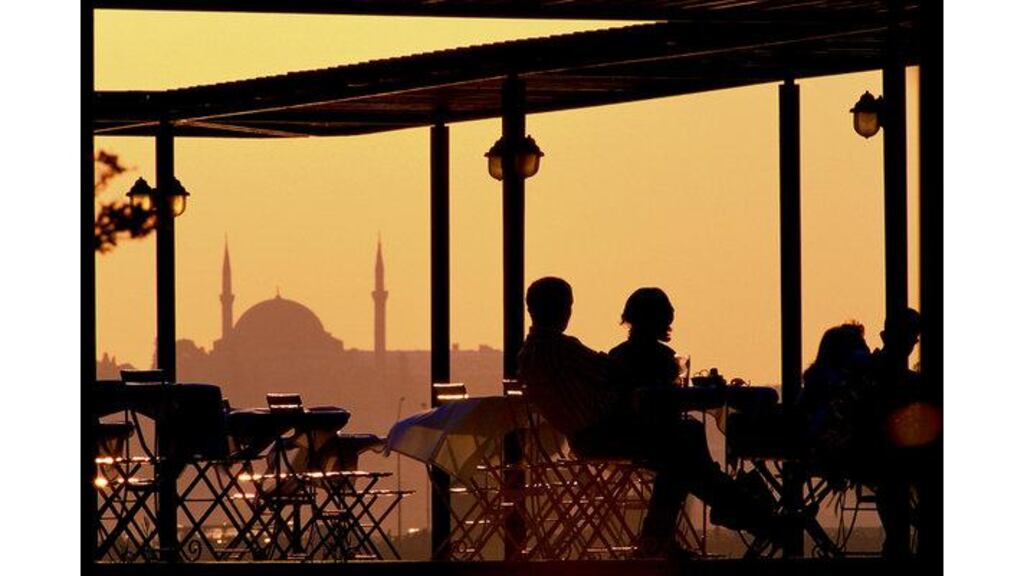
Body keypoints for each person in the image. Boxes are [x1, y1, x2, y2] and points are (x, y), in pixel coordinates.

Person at [518, 277, 782, 558]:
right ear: (563, 309)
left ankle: (706, 519)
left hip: (587, 435)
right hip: (604, 435)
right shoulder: (561, 348)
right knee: (682, 446)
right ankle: (739, 512)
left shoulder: (528, 353)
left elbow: (609, 373)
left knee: (681, 448)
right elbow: (611, 372)